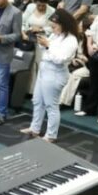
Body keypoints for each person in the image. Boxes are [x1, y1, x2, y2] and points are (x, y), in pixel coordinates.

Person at [21, 9, 80, 142]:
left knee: (51, 105)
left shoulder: (71, 40)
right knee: (37, 101)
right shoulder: (56, 35)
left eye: (54, 26)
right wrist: (43, 43)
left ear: (63, 24)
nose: (53, 29)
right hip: (45, 70)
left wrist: (48, 45)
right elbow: (46, 51)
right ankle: (35, 128)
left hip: (55, 73)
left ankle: (51, 135)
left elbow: (60, 59)